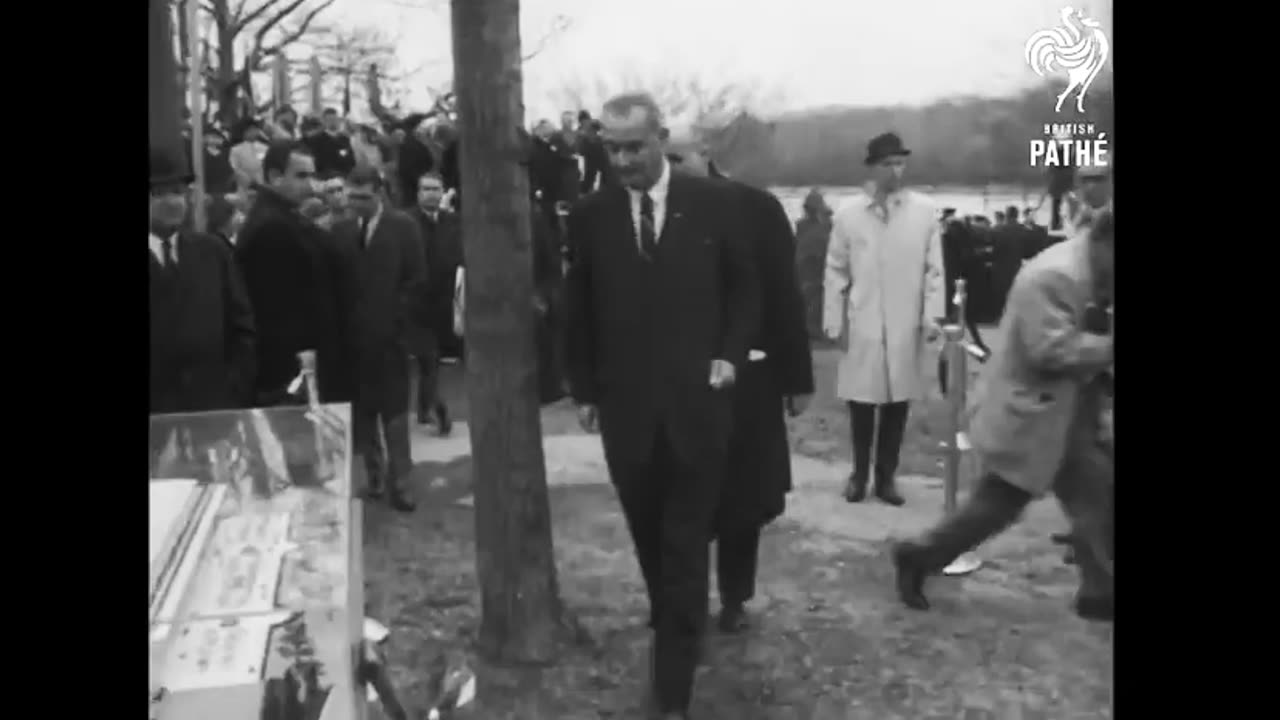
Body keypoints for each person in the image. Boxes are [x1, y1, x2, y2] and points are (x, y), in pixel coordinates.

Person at [564, 92, 760, 720]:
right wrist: (586, 388)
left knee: (682, 542)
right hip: (626, 412)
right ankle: (679, 620)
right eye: (611, 149)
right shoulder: (591, 215)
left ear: (661, 138)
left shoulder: (715, 203)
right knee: (650, 538)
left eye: (633, 147)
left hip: (699, 406)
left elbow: (744, 285)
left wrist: (731, 352)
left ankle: (671, 690)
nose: (621, 160)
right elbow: (580, 305)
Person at [892, 210, 1116, 622]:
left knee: (1096, 496)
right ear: (1105, 241)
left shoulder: (1088, 269)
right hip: (1032, 415)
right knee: (995, 507)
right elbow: (1050, 350)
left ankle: (1100, 592)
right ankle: (919, 555)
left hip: (1069, 413)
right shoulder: (1054, 277)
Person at [670, 147, 815, 634]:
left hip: (747, 377)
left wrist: (796, 376)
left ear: (703, 155)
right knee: (677, 496)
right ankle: (679, 601)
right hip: (673, 378)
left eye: (676, 156)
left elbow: (783, 294)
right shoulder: (646, 207)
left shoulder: (757, 207)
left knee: (741, 497)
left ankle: (734, 597)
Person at [822, 132, 944, 506]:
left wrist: (932, 315)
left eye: (900, 163)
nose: (896, 170)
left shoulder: (924, 212)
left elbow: (934, 269)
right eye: (888, 163)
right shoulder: (848, 214)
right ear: (873, 167)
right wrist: (833, 319)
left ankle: (886, 476)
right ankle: (858, 474)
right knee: (861, 402)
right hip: (865, 318)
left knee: (897, 402)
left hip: (905, 319)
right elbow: (835, 269)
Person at [334, 167, 427, 513]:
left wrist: (397, 323)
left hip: (391, 340)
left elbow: (417, 281)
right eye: (352, 196)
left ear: (380, 194)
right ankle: (374, 478)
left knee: (396, 415)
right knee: (363, 415)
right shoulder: (341, 232)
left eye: (364, 197)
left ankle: (401, 483)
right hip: (354, 343)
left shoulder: (403, 228)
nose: (356, 204)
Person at [236, 141, 354, 406]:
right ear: (275, 176)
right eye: (301, 175)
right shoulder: (271, 227)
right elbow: (279, 311)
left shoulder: (284, 219)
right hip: (291, 372)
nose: (311, 185)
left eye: (312, 175)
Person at [150, 148, 256, 415]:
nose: (171, 202)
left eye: (177, 192)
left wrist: (232, 392)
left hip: (212, 414)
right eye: (158, 194)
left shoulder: (212, 251)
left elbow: (241, 326)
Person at [407, 171, 461, 433]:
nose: (431, 193)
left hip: (444, 302)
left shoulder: (452, 221)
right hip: (414, 304)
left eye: (436, 189)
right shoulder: (407, 221)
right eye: (426, 189)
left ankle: (423, 407)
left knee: (433, 360)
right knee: (429, 358)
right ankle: (437, 409)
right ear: (418, 193)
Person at [306, 108, 357, 179]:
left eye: (334, 119)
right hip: (326, 176)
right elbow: (319, 161)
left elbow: (351, 159)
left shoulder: (345, 139)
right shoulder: (317, 139)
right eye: (329, 120)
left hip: (345, 174)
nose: (333, 122)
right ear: (324, 121)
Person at [229, 117, 270, 195]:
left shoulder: (265, 148)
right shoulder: (235, 150)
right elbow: (234, 169)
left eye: (255, 129)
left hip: (262, 190)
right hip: (244, 191)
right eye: (250, 130)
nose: (254, 132)